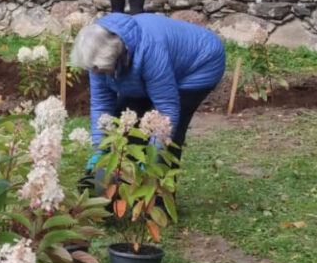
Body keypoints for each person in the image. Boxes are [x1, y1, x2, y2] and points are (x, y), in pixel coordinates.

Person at [70, 12, 225, 171]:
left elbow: (167, 110)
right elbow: (101, 106)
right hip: (157, 65)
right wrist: (99, 149)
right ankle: (123, 182)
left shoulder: (150, 49)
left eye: (101, 70)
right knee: (124, 124)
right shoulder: (97, 57)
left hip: (200, 64)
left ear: (115, 56)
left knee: (168, 134)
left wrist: (153, 158)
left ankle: (159, 189)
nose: (96, 74)